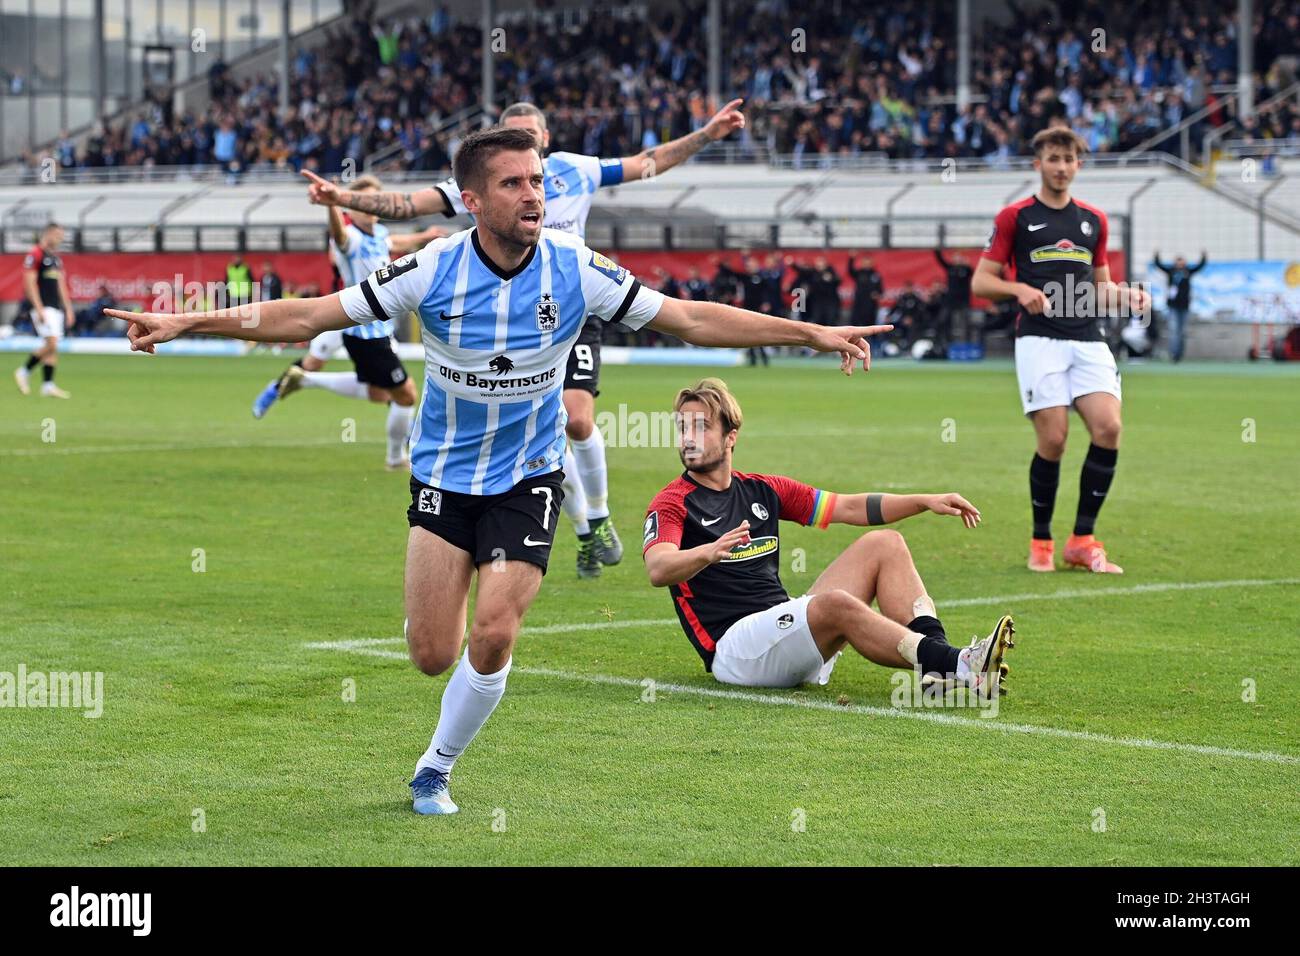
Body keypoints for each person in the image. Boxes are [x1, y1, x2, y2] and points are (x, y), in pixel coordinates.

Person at [107, 126, 894, 817]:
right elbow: (309, 314)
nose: (534, 195)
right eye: (514, 183)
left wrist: (811, 332)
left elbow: (690, 318)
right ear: (474, 201)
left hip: (529, 476)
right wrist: (188, 319)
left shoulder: (574, 267)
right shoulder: (434, 270)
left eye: (539, 181)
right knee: (431, 652)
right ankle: (441, 672)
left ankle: (434, 770)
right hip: (445, 476)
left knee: (494, 634)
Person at [302, 98, 748, 581]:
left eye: (530, 136)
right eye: (512, 134)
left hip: (569, 300)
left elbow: (647, 164)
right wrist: (341, 199)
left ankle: (596, 517)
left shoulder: (577, 171)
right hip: (503, 303)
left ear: (545, 138)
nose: (526, 178)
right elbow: (407, 206)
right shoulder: (483, 182)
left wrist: (706, 133)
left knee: (577, 420)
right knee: (543, 422)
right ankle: (582, 527)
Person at [642, 378, 1014, 694]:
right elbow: (658, 568)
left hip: (779, 626)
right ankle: (962, 665)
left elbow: (848, 507)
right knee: (833, 603)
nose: (688, 438)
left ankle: (940, 668)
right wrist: (708, 552)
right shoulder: (673, 502)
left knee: (885, 544)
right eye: (683, 427)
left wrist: (924, 500)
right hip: (736, 651)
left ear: (730, 437)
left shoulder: (762, 490)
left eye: (701, 427)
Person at [972, 126, 1150, 574]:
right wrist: (1018, 290)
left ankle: (1082, 540)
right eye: (1053, 158)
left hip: (1088, 337)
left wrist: (1127, 296)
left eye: (1069, 159)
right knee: (1053, 439)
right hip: (1038, 339)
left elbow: (1101, 288)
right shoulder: (1016, 217)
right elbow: (981, 282)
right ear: (1038, 164)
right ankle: (1041, 542)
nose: (1061, 167)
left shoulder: (1094, 221)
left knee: (1108, 428)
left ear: (1078, 165)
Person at [251, 175, 443, 471]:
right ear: (350, 209)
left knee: (381, 393)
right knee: (405, 394)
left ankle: (305, 380)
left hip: (374, 327)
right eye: (361, 203)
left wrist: (423, 237)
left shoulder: (379, 233)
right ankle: (397, 457)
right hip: (360, 326)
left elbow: (395, 241)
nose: (368, 208)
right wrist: (332, 205)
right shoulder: (351, 238)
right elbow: (339, 236)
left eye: (372, 202)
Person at [14, 224, 74, 399]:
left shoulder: (55, 259)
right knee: (52, 343)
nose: (60, 239)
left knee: (52, 347)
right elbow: (29, 282)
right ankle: (24, 371)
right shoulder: (35, 254)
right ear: (47, 234)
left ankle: (48, 385)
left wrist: (68, 308)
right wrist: (38, 307)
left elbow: (61, 285)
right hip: (43, 306)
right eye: (57, 235)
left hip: (55, 307)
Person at [1153, 250, 1206, 363]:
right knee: (1173, 330)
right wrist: (1156, 256)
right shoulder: (1171, 271)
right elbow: (1159, 266)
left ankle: (1180, 353)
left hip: (1184, 306)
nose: (1180, 263)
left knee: (1182, 331)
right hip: (1173, 307)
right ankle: (1173, 354)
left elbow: (1199, 266)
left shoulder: (1187, 272)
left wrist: (1203, 257)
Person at [933, 248, 974, 345]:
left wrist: (966, 264)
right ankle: (947, 342)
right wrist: (936, 248)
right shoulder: (950, 268)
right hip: (950, 300)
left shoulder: (966, 269)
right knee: (944, 320)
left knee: (965, 322)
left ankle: (966, 343)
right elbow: (940, 260)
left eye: (959, 257)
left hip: (963, 300)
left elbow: (972, 272)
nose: (957, 259)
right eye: (955, 257)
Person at [847, 254, 883, 326]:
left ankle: (870, 337)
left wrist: (877, 294)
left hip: (870, 303)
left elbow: (880, 289)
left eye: (868, 263)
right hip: (859, 301)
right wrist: (851, 259)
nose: (866, 265)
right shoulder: (859, 273)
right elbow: (850, 271)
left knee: (869, 322)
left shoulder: (875, 275)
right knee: (855, 321)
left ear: (872, 264)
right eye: (865, 263)